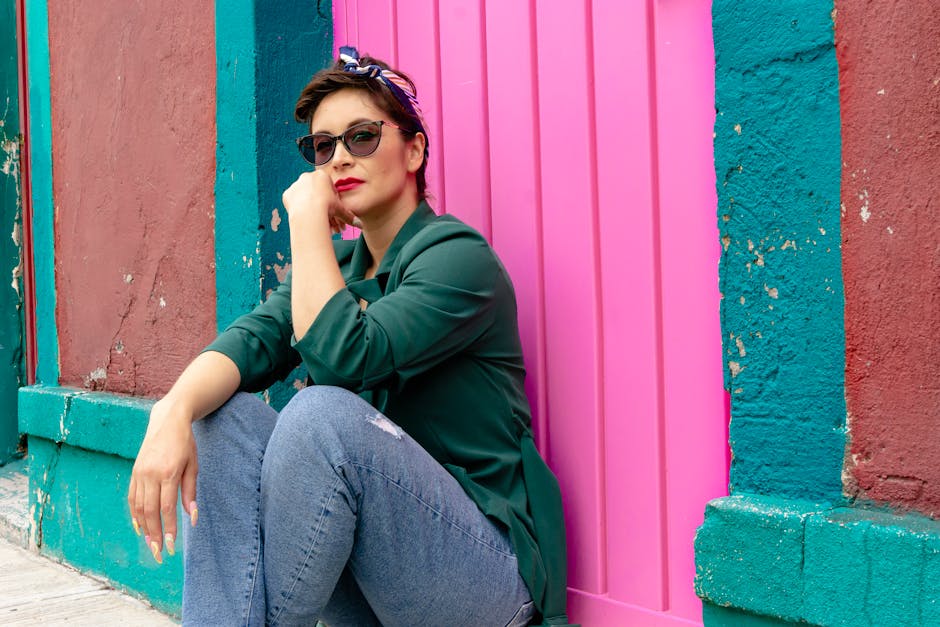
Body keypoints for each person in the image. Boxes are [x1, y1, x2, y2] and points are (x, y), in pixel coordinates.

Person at [128, 46, 575, 627]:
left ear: (414, 150)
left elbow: (348, 361)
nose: (339, 159)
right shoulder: (337, 266)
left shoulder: (459, 260)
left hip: (486, 582)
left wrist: (307, 221)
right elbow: (253, 340)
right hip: (375, 583)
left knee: (321, 416)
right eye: (323, 146)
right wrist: (172, 411)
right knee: (224, 419)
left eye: (361, 137)